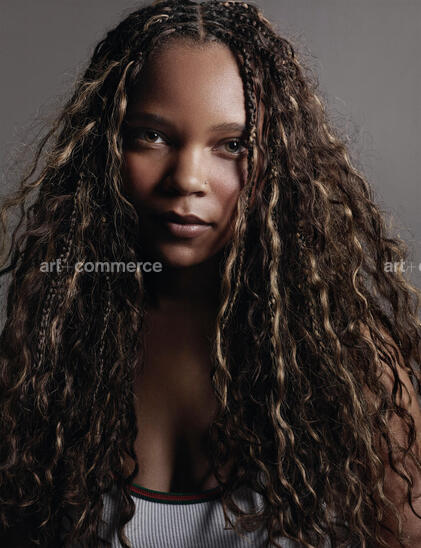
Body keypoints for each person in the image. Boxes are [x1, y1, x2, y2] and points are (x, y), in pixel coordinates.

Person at [0, 0, 420, 546]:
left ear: (278, 162)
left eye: (233, 145)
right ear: (105, 149)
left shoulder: (350, 366)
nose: (187, 178)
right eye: (152, 136)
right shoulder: (45, 355)